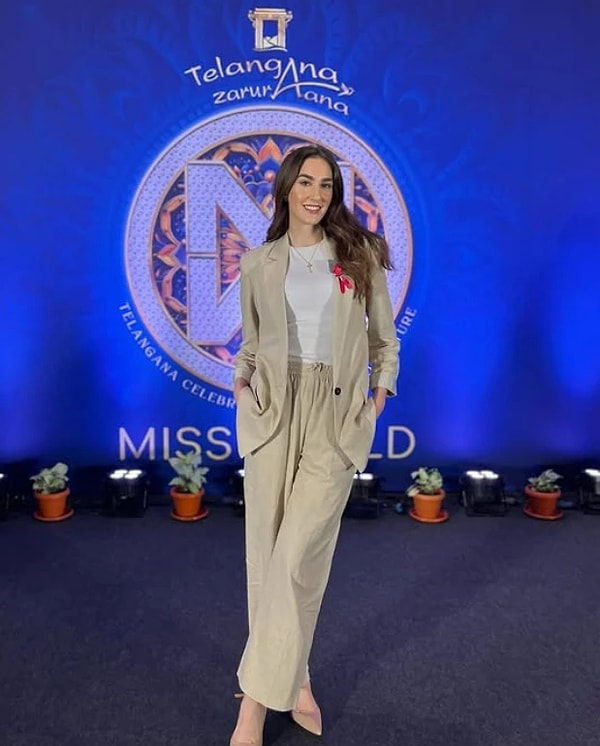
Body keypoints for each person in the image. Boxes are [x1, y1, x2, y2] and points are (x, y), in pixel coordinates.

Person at [230, 143, 399, 746]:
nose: (317, 194)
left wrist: (378, 398)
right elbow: (252, 344)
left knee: (297, 557)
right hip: (274, 412)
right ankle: (295, 678)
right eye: (306, 182)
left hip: (336, 414)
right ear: (286, 188)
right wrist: (241, 386)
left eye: (327, 184)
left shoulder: (359, 255)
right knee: (265, 559)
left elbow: (384, 340)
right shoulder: (259, 262)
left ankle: (252, 706)